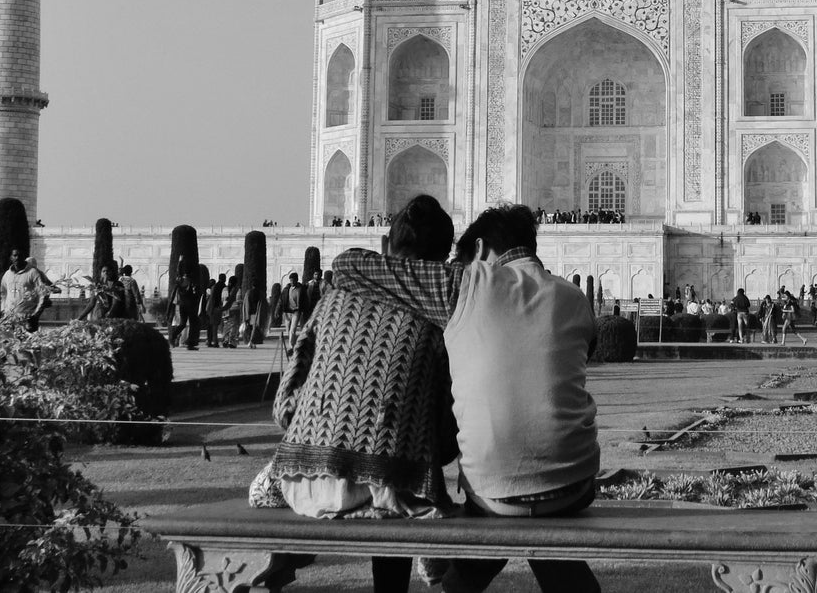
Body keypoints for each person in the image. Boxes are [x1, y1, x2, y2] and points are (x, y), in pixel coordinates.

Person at [332, 203, 601, 593]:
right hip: (573, 487)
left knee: (503, 505)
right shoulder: (575, 298)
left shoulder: (465, 284)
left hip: (493, 491)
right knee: (541, 518)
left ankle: (451, 580)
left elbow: (347, 266)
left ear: (478, 250)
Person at [253, 195, 459, 593]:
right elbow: (445, 433)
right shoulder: (440, 318)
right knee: (392, 485)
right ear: (443, 258)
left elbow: (284, 407)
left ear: (387, 244)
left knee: (276, 485)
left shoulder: (333, 297)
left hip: (305, 483)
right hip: (397, 491)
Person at [0, 253, 52, 331]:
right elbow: (3, 292)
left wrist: (35, 313)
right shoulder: (8, 274)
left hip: (27, 314)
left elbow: (45, 290)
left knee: (27, 338)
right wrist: (3, 309)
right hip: (10, 315)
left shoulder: (36, 273)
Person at [282, 272, 306, 345]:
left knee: (293, 329)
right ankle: (293, 343)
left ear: (297, 280)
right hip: (288, 311)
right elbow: (281, 299)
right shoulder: (287, 289)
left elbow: (305, 300)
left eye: (293, 280)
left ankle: (291, 346)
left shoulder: (301, 289)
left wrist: (304, 310)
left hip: (296, 311)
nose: (292, 282)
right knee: (288, 330)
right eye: (291, 280)